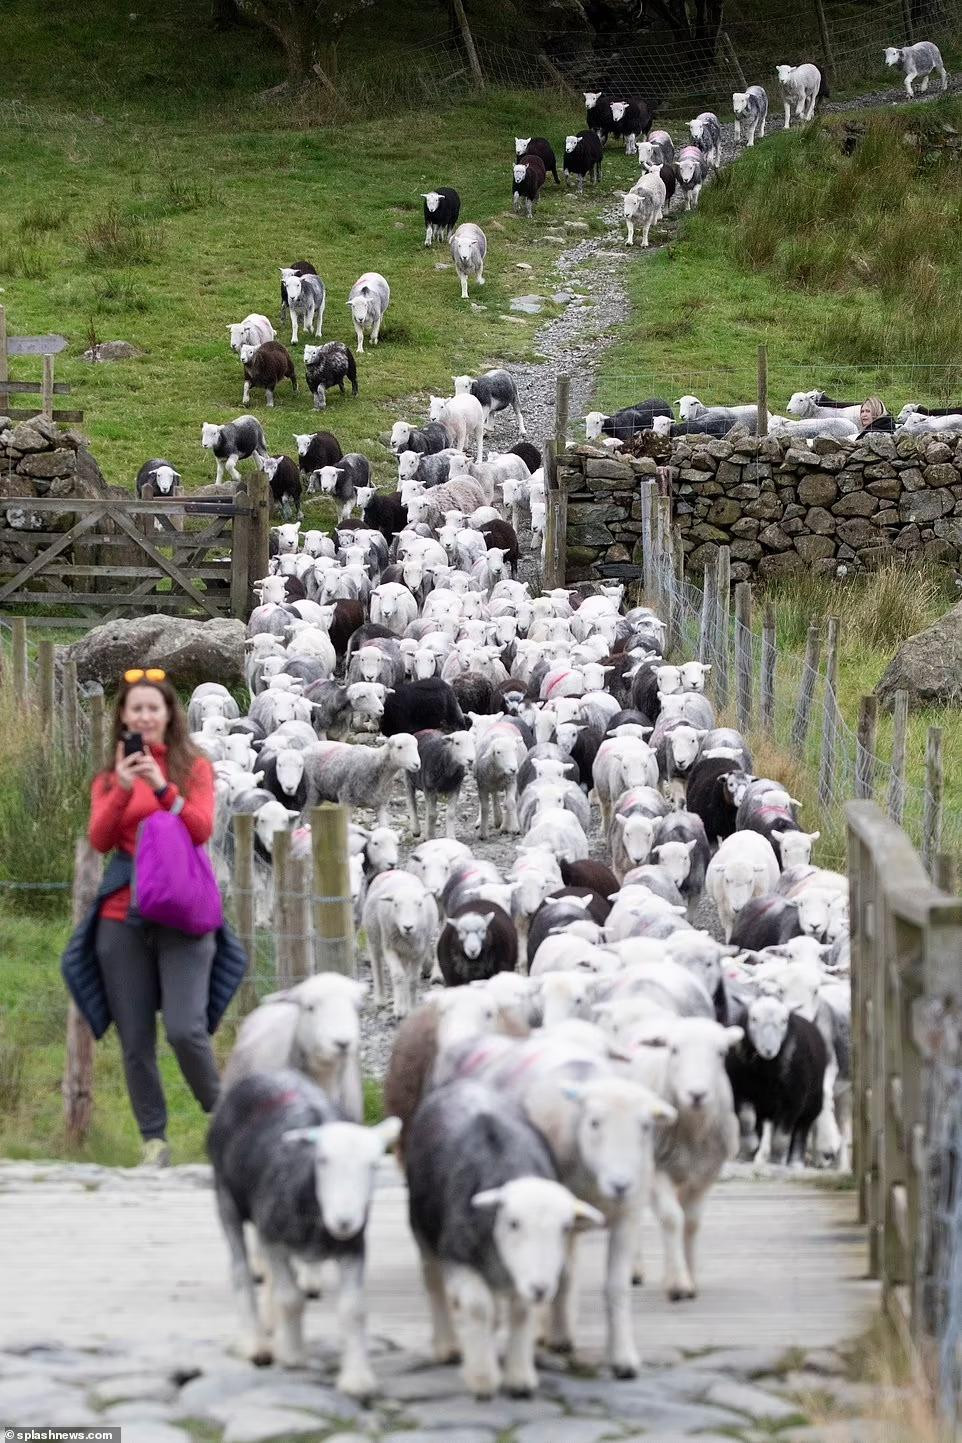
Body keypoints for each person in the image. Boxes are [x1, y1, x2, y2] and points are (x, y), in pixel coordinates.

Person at [86, 668, 220, 1167]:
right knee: (135, 1035)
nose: (143, 716)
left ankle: (226, 1120)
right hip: (122, 914)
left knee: (186, 1029)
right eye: (134, 708)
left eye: (152, 708)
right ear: (123, 716)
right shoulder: (109, 775)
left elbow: (201, 828)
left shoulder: (194, 768)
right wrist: (122, 787)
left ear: (168, 716)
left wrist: (162, 787)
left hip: (182, 913)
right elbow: (100, 839)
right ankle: (155, 1142)